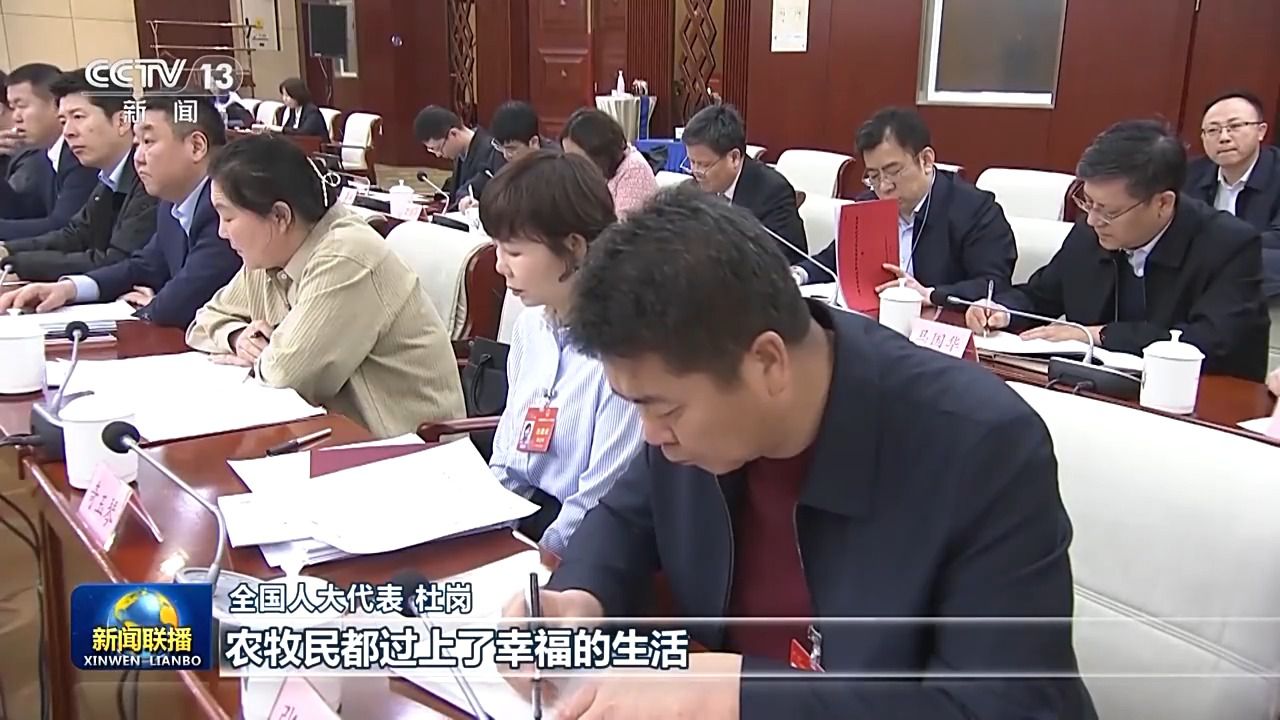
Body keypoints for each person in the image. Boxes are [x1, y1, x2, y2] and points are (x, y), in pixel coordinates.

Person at [501, 188, 1095, 719]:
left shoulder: (982, 447)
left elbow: (1000, 706)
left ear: (766, 363)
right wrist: (579, 599)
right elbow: (626, 519)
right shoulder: (690, 412)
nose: (650, 434)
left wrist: (735, 694)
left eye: (662, 409)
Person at [186, 135, 465, 438]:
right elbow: (203, 322)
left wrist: (266, 357)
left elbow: (284, 378)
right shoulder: (269, 252)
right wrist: (239, 337)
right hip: (327, 437)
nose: (221, 232)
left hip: (406, 448)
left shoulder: (346, 255)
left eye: (228, 217)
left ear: (280, 216)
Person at [966, 120, 1270, 381]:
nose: (1093, 220)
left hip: (1195, 400)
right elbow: (1041, 295)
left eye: (1109, 212)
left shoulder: (1229, 245)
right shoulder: (1090, 231)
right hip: (1094, 389)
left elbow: (1211, 342)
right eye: (1088, 203)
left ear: (1163, 203)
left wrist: (1097, 335)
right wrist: (1002, 310)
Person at [478, 150, 643, 556]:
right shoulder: (530, 326)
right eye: (497, 248)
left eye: (514, 252)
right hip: (519, 518)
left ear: (574, 248)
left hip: (584, 544)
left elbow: (600, 499)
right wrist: (484, 532)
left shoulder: (626, 347)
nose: (500, 267)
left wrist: (536, 560)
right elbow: (508, 456)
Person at [0, 96, 240, 328]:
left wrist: (152, 306)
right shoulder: (172, 201)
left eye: (148, 141)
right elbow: (145, 265)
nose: (138, 158)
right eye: (137, 144)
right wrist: (68, 289)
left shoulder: (226, 207)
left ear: (196, 146)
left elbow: (180, 303)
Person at [798, 107, 1016, 306]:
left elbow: (993, 284)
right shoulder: (868, 205)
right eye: (874, 176)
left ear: (926, 161)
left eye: (893, 171)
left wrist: (930, 294)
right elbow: (833, 260)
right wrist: (797, 274)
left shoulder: (975, 210)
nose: (884, 186)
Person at [0, 69, 157, 281]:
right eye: (63, 121)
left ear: (122, 122)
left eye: (78, 117)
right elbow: (76, 234)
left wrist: (18, 263)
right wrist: (7, 250)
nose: (68, 132)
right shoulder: (109, 176)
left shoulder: (150, 176)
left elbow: (117, 260)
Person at [1184, 91, 1280, 358]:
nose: (1224, 137)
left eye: (1235, 126)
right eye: (1213, 130)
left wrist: (1224, 252)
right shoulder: (1190, 175)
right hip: (1203, 282)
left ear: (1261, 131)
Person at [682, 103, 807, 263]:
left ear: (734, 158)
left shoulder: (772, 193)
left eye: (704, 164)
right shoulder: (693, 188)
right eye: (692, 162)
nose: (695, 171)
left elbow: (782, 259)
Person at [0, 63, 97, 239]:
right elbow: (24, 213)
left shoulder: (79, 154)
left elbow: (62, 226)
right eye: (12, 108)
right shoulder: (45, 153)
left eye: (22, 106)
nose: (16, 117)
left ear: (56, 104)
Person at [560, 107, 658, 218]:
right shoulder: (581, 174)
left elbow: (624, 226)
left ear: (599, 153)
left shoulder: (635, 171)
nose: (572, 164)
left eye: (577, 158)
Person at [412, 105, 504, 211]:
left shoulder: (493, 151)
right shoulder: (460, 154)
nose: (438, 155)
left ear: (453, 133)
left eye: (439, 148)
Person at [490, 100, 558, 162]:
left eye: (512, 149)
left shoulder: (556, 163)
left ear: (534, 142)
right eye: (500, 148)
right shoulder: (496, 154)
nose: (506, 155)